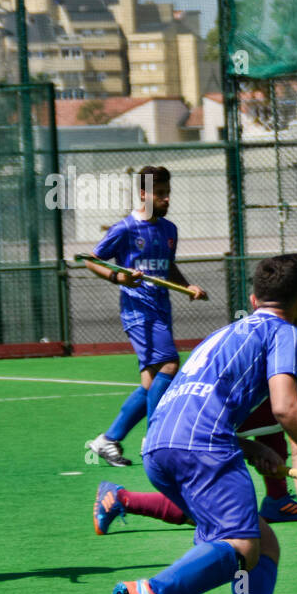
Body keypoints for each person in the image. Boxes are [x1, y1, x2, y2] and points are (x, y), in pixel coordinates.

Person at [111, 254, 297, 594]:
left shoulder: (222, 333)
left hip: (159, 445)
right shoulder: (284, 333)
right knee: (243, 545)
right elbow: (285, 407)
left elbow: (199, 399)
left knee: (262, 543)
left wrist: (249, 448)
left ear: (252, 297)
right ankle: (154, 593)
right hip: (204, 447)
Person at [94, 330, 297, 533]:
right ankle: (120, 498)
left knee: (271, 431)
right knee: (223, 518)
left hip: (182, 423)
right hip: (189, 440)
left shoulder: (275, 365)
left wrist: (257, 452)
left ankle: (277, 500)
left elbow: (267, 432)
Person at [85, 166, 207, 466]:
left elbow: (168, 268)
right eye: (160, 194)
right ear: (144, 194)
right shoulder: (125, 229)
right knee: (169, 364)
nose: (166, 199)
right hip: (138, 312)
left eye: (168, 194)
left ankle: (108, 440)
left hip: (162, 310)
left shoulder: (169, 230)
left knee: (152, 384)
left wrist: (186, 286)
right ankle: (156, 440)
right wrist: (119, 279)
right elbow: (91, 261)